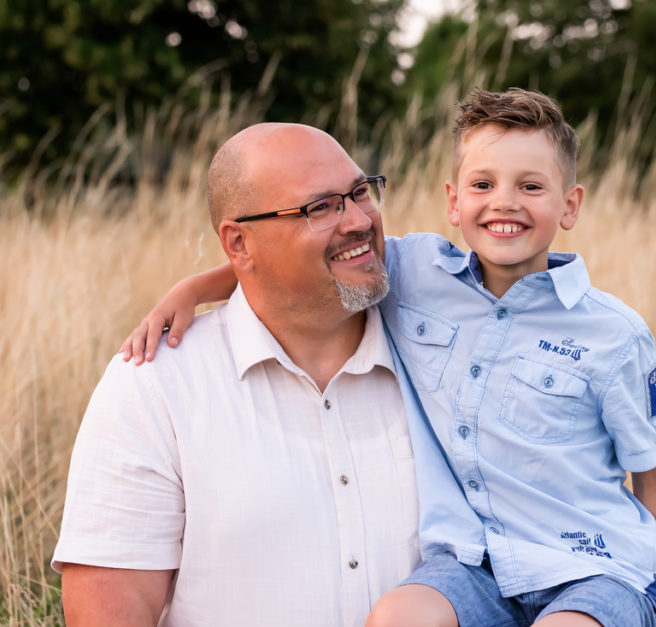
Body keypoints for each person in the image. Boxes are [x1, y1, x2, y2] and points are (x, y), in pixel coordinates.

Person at [125, 88, 656, 626]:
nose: (505, 203)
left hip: (590, 567)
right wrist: (195, 289)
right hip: (476, 563)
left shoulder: (611, 333)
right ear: (452, 200)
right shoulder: (415, 271)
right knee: (398, 616)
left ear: (570, 206)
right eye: (482, 184)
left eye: (531, 187)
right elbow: (304, 260)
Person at [53, 123, 422, 626]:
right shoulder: (155, 387)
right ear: (239, 244)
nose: (359, 220)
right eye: (320, 207)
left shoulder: (439, 350)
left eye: (360, 192)